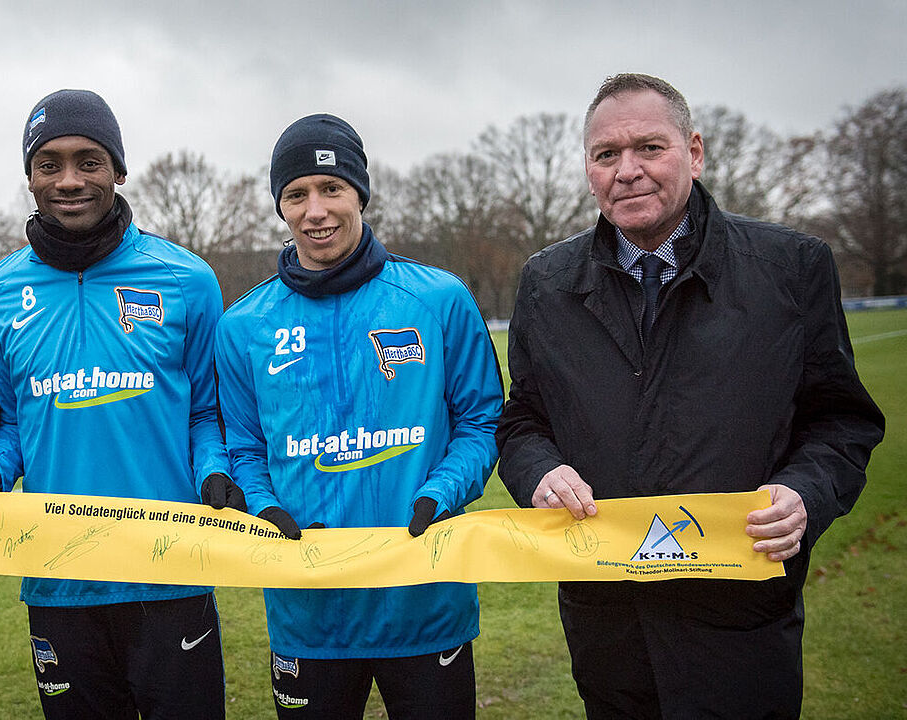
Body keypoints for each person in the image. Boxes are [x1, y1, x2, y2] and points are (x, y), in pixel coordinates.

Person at [497, 73, 885, 719]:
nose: (628, 171)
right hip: (609, 628)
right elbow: (522, 421)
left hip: (741, 627)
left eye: (650, 147)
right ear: (588, 170)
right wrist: (541, 470)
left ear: (695, 151)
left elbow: (841, 423)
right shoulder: (545, 282)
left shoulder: (792, 268)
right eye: (606, 154)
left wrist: (806, 494)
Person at [0, 89, 235, 719]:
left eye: (89, 161)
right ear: (29, 178)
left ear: (119, 170)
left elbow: (207, 412)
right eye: (49, 164)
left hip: (170, 570)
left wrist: (214, 469)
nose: (69, 179)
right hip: (59, 579)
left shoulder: (187, 279)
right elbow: (14, 418)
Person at [215, 113, 505, 719]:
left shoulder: (438, 299)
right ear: (280, 206)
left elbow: (482, 423)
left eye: (331, 189)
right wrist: (265, 507)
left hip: (425, 600)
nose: (314, 210)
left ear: (359, 195)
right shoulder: (242, 325)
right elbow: (244, 446)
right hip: (307, 606)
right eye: (296, 194)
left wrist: (442, 492)